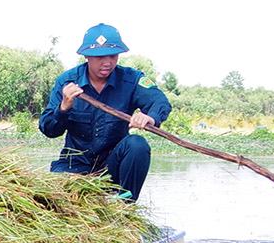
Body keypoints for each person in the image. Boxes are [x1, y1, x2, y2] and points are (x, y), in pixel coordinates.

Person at [38, 22, 173, 202]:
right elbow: (48, 130)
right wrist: (64, 107)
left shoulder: (132, 79)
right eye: (99, 57)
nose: (107, 62)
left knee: (137, 144)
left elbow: (159, 101)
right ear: (86, 55)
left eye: (113, 55)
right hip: (73, 167)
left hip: (112, 167)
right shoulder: (67, 81)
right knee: (55, 201)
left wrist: (150, 117)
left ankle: (126, 208)